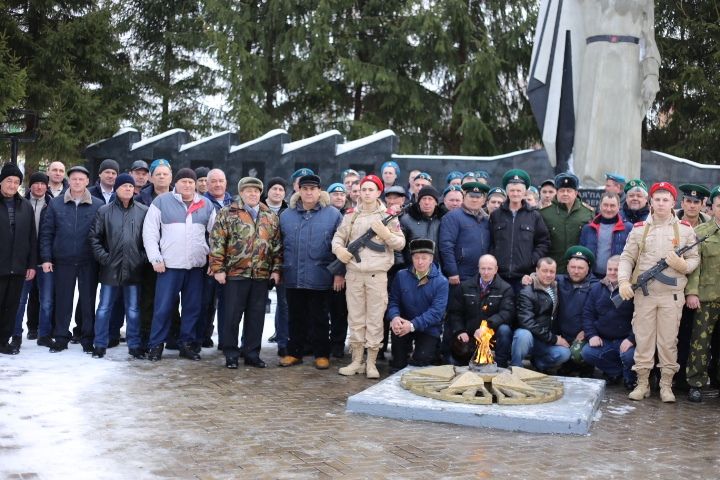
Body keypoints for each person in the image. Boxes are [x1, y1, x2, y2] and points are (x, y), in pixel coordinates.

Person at [618, 181, 700, 402]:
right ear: (651, 202)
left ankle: (666, 385)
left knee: (667, 342)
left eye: (666, 200)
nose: (662, 203)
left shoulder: (684, 229)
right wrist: (624, 281)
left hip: (671, 296)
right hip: (645, 295)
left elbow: (694, 258)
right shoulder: (639, 230)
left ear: (673, 202)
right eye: (658, 199)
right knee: (643, 341)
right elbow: (627, 258)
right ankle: (642, 383)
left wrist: (683, 266)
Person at [333, 174, 405, 378]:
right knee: (356, 318)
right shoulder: (351, 215)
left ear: (379, 192)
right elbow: (338, 237)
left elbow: (400, 243)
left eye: (371, 189)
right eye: (363, 189)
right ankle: (356, 360)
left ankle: (371, 362)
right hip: (354, 274)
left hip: (377, 274)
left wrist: (385, 234)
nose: (366, 193)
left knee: (374, 319)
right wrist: (339, 251)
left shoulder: (388, 216)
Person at [142, 168, 216, 361]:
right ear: (176, 183)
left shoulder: (205, 204)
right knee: (163, 307)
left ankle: (186, 344)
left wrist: (214, 260)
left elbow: (216, 234)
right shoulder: (162, 202)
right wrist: (155, 258)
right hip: (169, 266)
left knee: (192, 307)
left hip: (196, 267)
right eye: (184, 181)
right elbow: (150, 232)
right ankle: (156, 345)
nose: (188, 185)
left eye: (191, 182)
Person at [209, 177, 282, 369]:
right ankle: (231, 353)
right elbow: (217, 242)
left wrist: (275, 270)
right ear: (241, 193)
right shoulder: (228, 213)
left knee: (256, 316)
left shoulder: (270, 216)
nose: (253, 194)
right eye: (249, 191)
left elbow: (276, 246)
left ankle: (251, 353)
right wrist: (218, 269)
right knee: (232, 316)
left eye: (256, 191)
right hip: (235, 273)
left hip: (260, 274)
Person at [279, 174, 342, 369]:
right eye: (305, 188)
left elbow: (341, 246)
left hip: (320, 275)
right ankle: (294, 352)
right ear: (298, 190)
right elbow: (278, 246)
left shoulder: (333, 214)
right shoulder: (286, 215)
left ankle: (322, 354)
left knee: (320, 318)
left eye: (312, 189)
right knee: (295, 317)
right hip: (293, 274)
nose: (308, 192)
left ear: (319, 191)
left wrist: (339, 273)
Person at [39, 165, 103, 353]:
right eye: (74, 179)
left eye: (81, 179)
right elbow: (47, 233)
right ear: (69, 181)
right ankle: (60, 337)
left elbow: (101, 235)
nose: (77, 182)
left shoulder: (98, 205)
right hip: (63, 260)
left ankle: (87, 338)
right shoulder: (56, 203)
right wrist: (46, 258)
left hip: (88, 261)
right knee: (63, 300)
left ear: (87, 182)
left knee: (88, 300)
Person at [88, 174, 148, 359]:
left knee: (133, 309)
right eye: (124, 186)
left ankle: (135, 345)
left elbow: (150, 239)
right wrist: (105, 259)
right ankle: (99, 344)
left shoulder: (143, 211)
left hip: (134, 269)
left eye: (131, 186)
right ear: (117, 188)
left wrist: (141, 259)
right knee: (105, 307)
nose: (128, 189)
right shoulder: (104, 211)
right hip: (110, 270)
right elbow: (94, 238)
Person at [387, 239, 448, 373]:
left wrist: (413, 325)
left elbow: (436, 313)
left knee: (422, 361)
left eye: (424, 258)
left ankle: (431, 351)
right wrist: (395, 317)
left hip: (428, 328)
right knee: (398, 365)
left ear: (431, 259)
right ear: (412, 258)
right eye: (416, 257)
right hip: (403, 324)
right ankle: (402, 354)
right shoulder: (401, 275)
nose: (420, 262)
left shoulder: (441, 282)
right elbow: (393, 301)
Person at [684, 186, 720, 402]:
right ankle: (695, 383)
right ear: (712, 208)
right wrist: (692, 293)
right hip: (706, 297)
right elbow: (695, 266)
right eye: (719, 205)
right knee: (700, 343)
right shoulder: (701, 233)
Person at [489, 169, 550, 293]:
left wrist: (531, 260)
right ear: (507, 192)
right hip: (499, 276)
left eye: (519, 191)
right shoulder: (496, 215)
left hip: (524, 277)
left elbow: (544, 242)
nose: (515, 194)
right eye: (512, 190)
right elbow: (490, 241)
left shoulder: (534, 216)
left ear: (525, 192)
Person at [448, 254, 514, 367]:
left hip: (492, 335)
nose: (486, 272)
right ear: (478, 268)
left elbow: (506, 313)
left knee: (505, 330)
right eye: (483, 268)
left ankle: (501, 366)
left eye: (490, 269)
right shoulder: (464, 287)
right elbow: (455, 312)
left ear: (496, 269)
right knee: (457, 350)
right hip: (470, 334)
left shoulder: (506, 289)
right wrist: (460, 331)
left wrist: (486, 326)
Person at [581, 255, 636, 389]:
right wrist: (592, 335)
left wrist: (631, 338)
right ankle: (616, 372)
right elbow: (588, 314)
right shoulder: (596, 288)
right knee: (587, 352)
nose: (612, 272)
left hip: (626, 341)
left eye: (616, 270)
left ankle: (631, 377)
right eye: (609, 269)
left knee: (630, 356)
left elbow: (642, 319)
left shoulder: (634, 290)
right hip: (604, 340)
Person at [0, 164, 36, 355]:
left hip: (18, 266)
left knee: (11, 306)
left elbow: (32, 237)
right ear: (1, 182)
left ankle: (3, 342)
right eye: (9, 181)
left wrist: (31, 264)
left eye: (16, 182)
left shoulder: (25, 206)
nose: (12, 185)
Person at [13, 172, 53, 346]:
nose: (39, 186)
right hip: (24, 260)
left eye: (42, 184)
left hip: (46, 260)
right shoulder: (20, 203)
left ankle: (44, 334)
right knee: (20, 300)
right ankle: (15, 334)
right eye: (36, 183)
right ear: (30, 186)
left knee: (47, 300)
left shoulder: (53, 205)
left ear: (47, 186)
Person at [511, 257, 570, 372]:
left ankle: (540, 364)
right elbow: (527, 322)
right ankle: (515, 367)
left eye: (552, 271)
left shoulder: (557, 286)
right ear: (536, 271)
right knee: (523, 334)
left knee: (565, 353)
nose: (548, 275)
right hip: (530, 338)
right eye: (544, 271)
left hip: (544, 340)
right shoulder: (527, 291)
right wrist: (553, 339)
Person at [197, 169, 232, 350]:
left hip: (230, 263)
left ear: (226, 182)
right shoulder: (200, 203)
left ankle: (226, 340)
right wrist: (212, 258)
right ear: (207, 184)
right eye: (213, 181)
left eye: (221, 181)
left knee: (227, 304)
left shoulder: (235, 203)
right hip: (206, 263)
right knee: (206, 302)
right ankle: (203, 335)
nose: (217, 184)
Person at [539, 172, 594, 273]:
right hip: (552, 269)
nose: (565, 194)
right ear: (557, 192)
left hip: (578, 270)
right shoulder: (544, 213)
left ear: (576, 192)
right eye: (562, 191)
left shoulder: (587, 212)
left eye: (569, 191)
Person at [439, 181, 491, 285]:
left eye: (478, 197)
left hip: (482, 275)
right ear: (464, 197)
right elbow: (446, 246)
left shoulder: (487, 219)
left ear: (484, 200)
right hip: (460, 275)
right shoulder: (452, 217)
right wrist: (452, 272)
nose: (474, 199)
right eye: (471, 196)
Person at [262, 177, 290, 357]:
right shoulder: (257, 207)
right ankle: (247, 343)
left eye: (281, 189)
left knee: (284, 304)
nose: (277, 192)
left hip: (281, 264)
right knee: (254, 306)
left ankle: (283, 341)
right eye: (274, 189)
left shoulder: (289, 211)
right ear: (268, 191)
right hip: (258, 263)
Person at [580, 192, 633, 278]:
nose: (608, 209)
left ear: (619, 206)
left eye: (612, 206)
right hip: (591, 278)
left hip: (617, 279)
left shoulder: (628, 228)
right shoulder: (588, 229)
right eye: (605, 205)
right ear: (600, 206)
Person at [326, 183, 349, 358]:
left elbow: (347, 247)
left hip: (340, 271)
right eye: (335, 194)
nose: (339, 197)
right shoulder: (323, 213)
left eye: (342, 194)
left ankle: (337, 345)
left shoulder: (350, 216)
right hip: (321, 270)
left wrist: (339, 273)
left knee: (339, 311)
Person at [400, 186, 443, 264]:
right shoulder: (406, 220)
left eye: (430, 199)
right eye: (423, 199)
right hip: (412, 266)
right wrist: (401, 265)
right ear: (419, 202)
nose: (426, 202)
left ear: (436, 202)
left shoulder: (442, 220)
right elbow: (398, 246)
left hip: (436, 267)